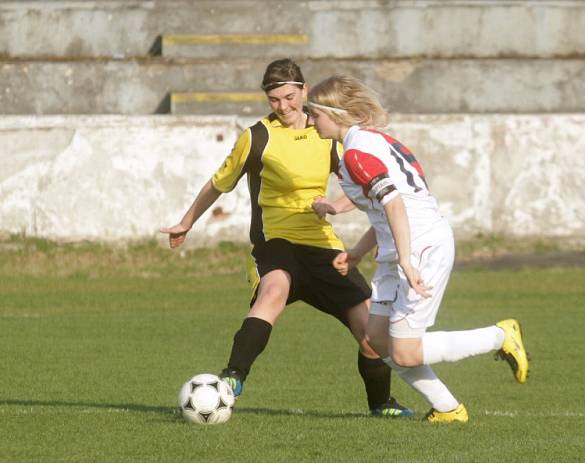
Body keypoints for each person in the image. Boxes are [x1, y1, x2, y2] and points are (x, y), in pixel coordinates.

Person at [160, 59, 411, 417]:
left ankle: (381, 404)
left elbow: (360, 185)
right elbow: (218, 184)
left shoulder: (325, 132)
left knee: (369, 326)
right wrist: (186, 222)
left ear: (305, 91)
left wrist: (337, 207)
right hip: (275, 241)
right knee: (274, 291)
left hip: (323, 246)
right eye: (274, 99)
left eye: (289, 97)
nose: (283, 106)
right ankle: (232, 377)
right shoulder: (257, 137)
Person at [307, 75, 530, 423]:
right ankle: (448, 409)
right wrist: (358, 252)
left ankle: (500, 336)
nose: (309, 121)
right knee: (377, 339)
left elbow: (395, 205)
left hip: (421, 246)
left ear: (334, 113)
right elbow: (388, 209)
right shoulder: (373, 142)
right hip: (400, 248)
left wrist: (408, 261)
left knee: (406, 352)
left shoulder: (355, 152)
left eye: (313, 114)